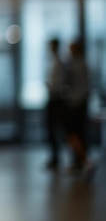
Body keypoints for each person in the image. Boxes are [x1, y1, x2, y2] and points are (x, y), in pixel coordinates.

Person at [62, 39, 92, 174]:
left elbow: (66, 82)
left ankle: (84, 161)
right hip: (81, 103)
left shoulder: (73, 64)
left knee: (73, 134)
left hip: (75, 104)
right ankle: (80, 162)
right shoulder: (84, 63)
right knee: (79, 134)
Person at [44, 38, 65, 170]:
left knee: (54, 128)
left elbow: (57, 84)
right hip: (53, 97)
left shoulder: (58, 63)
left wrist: (50, 87)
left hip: (55, 99)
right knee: (51, 129)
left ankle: (56, 157)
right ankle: (54, 157)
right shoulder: (54, 62)